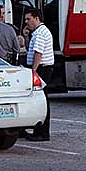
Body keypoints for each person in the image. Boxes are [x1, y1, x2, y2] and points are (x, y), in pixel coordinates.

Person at [21, 8, 54, 141]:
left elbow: (38, 54)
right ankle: (37, 131)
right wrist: (27, 37)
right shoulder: (38, 32)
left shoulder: (40, 33)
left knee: (41, 100)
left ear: (36, 18)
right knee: (39, 100)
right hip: (41, 68)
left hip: (42, 69)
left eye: (28, 19)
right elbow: (32, 50)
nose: (26, 22)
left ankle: (42, 133)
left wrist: (33, 72)